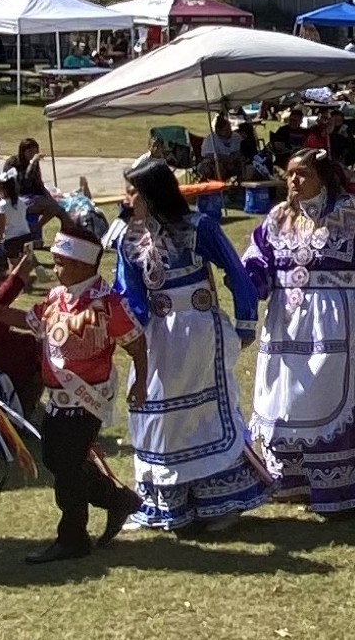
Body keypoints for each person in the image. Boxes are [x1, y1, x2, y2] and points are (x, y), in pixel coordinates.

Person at [240, 148, 355, 513]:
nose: (293, 181)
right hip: (286, 321)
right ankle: (294, 478)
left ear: (323, 176)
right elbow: (257, 261)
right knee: (287, 398)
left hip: (340, 318)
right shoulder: (277, 218)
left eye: (302, 174)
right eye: (289, 174)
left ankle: (346, 483)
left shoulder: (354, 212)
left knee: (335, 397)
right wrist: (249, 285)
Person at [110, 160, 273, 531]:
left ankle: (220, 502)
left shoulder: (199, 227)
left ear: (153, 195)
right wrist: (125, 331)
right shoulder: (128, 239)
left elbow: (236, 271)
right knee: (160, 416)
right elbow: (130, 295)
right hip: (158, 336)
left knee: (205, 413)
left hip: (199, 329)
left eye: (133, 192)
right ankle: (170, 504)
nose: (126, 199)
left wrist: (245, 322)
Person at [23, 229, 142, 561]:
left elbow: (136, 343)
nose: (57, 270)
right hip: (58, 399)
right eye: (57, 263)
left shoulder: (107, 303)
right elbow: (29, 320)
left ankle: (72, 537)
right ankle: (117, 500)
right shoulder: (57, 297)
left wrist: (141, 382)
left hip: (88, 397)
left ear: (82, 264)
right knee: (54, 458)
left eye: (62, 263)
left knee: (68, 464)